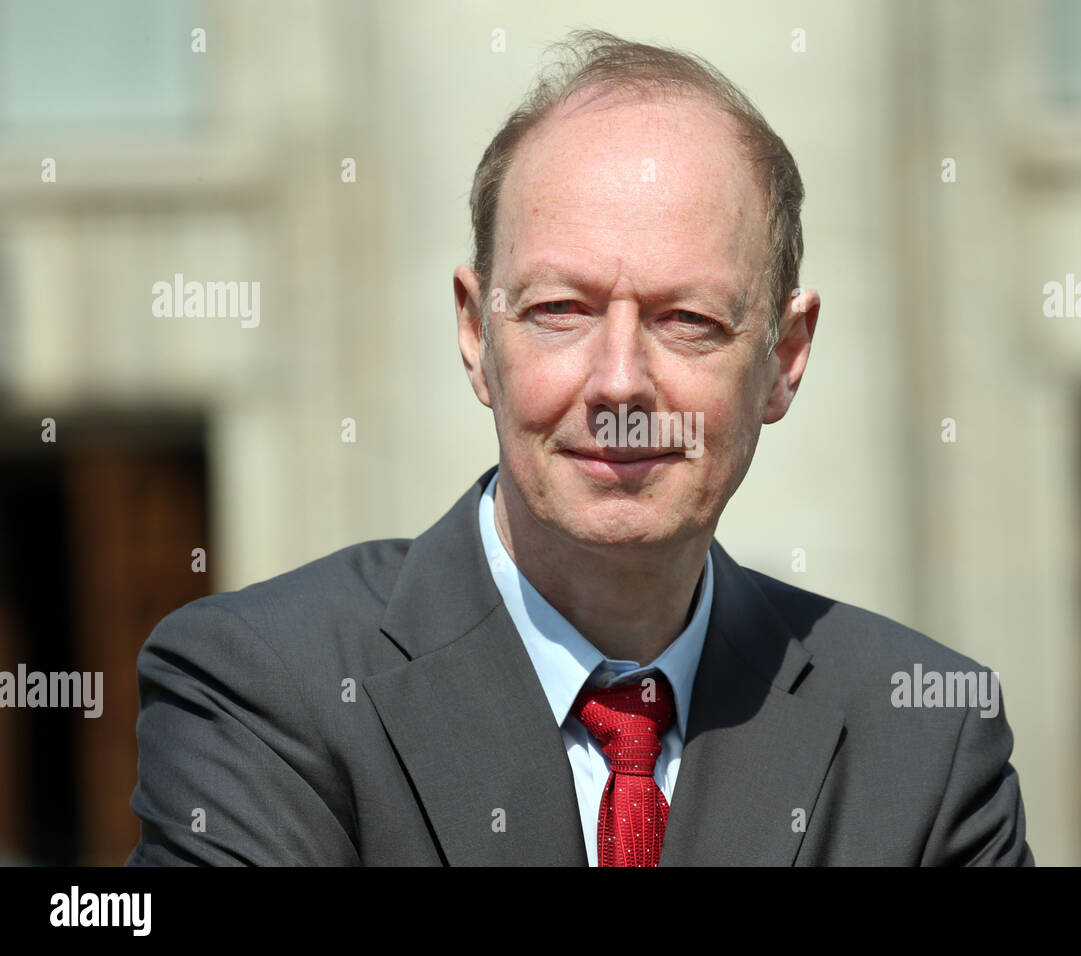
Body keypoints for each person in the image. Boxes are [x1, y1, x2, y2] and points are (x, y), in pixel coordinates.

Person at [126, 29, 1032, 867]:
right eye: (561, 310)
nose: (619, 383)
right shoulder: (263, 695)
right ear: (478, 334)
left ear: (784, 361)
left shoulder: (925, 743)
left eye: (689, 320)